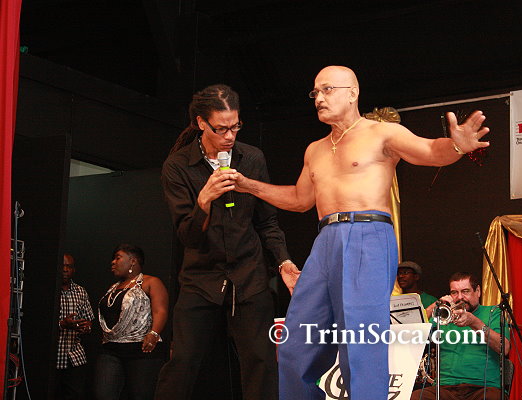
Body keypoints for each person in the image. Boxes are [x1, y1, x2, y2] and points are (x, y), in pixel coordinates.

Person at [232, 65, 490, 399]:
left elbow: (428, 151)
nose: (319, 98)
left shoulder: (381, 133)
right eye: (315, 92)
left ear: (353, 92)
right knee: (297, 340)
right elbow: (299, 199)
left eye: (327, 89)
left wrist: (456, 146)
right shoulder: (315, 149)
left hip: (368, 234)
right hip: (326, 239)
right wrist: (248, 185)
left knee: (361, 340)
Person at [155, 84, 295, 400]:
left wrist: (283, 261)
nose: (230, 135)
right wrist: (204, 199)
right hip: (201, 278)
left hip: (249, 276)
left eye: (235, 126)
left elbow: (267, 221)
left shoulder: (252, 158)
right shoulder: (177, 166)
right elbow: (187, 236)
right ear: (201, 123)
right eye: (221, 128)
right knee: (183, 362)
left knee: (261, 363)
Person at [411, 272, 510, 400]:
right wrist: (433, 307)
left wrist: (474, 322)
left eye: (465, 291)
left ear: (478, 291)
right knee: (417, 397)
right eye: (454, 293)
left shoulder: (493, 312)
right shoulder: (443, 316)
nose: (460, 297)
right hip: (445, 387)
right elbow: (411, 338)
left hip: (483, 387)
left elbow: (504, 348)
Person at [94, 244, 168, 400]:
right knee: (103, 394)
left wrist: (154, 333)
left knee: (141, 395)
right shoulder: (113, 288)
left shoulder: (150, 282)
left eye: (118, 258)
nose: (113, 262)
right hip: (111, 349)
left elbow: (160, 310)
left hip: (141, 349)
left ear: (133, 261)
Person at [56, 253, 94, 400]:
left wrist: (86, 326)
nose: (65, 269)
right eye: (62, 266)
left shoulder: (80, 291)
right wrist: (63, 324)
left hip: (74, 357)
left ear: (74, 270)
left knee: (75, 395)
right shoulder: (49, 289)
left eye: (69, 266)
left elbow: (89, 320)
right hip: (53, 356)